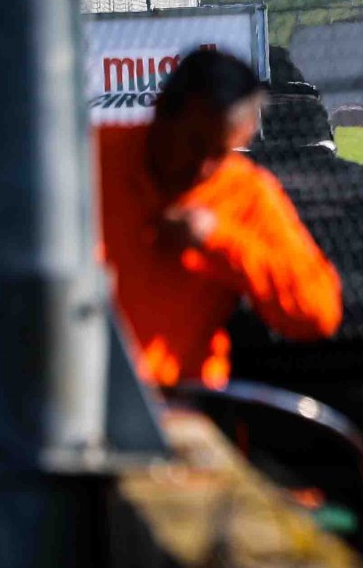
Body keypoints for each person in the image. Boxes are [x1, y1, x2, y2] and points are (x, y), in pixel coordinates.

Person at [96, 49, 342, 388]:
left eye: (220, 154)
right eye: (194, 144)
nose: (203, 168)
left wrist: (219, 240)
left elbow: (318, 312)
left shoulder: (245, 193)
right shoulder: (92, 157)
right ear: (162, 112)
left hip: (179, 402)